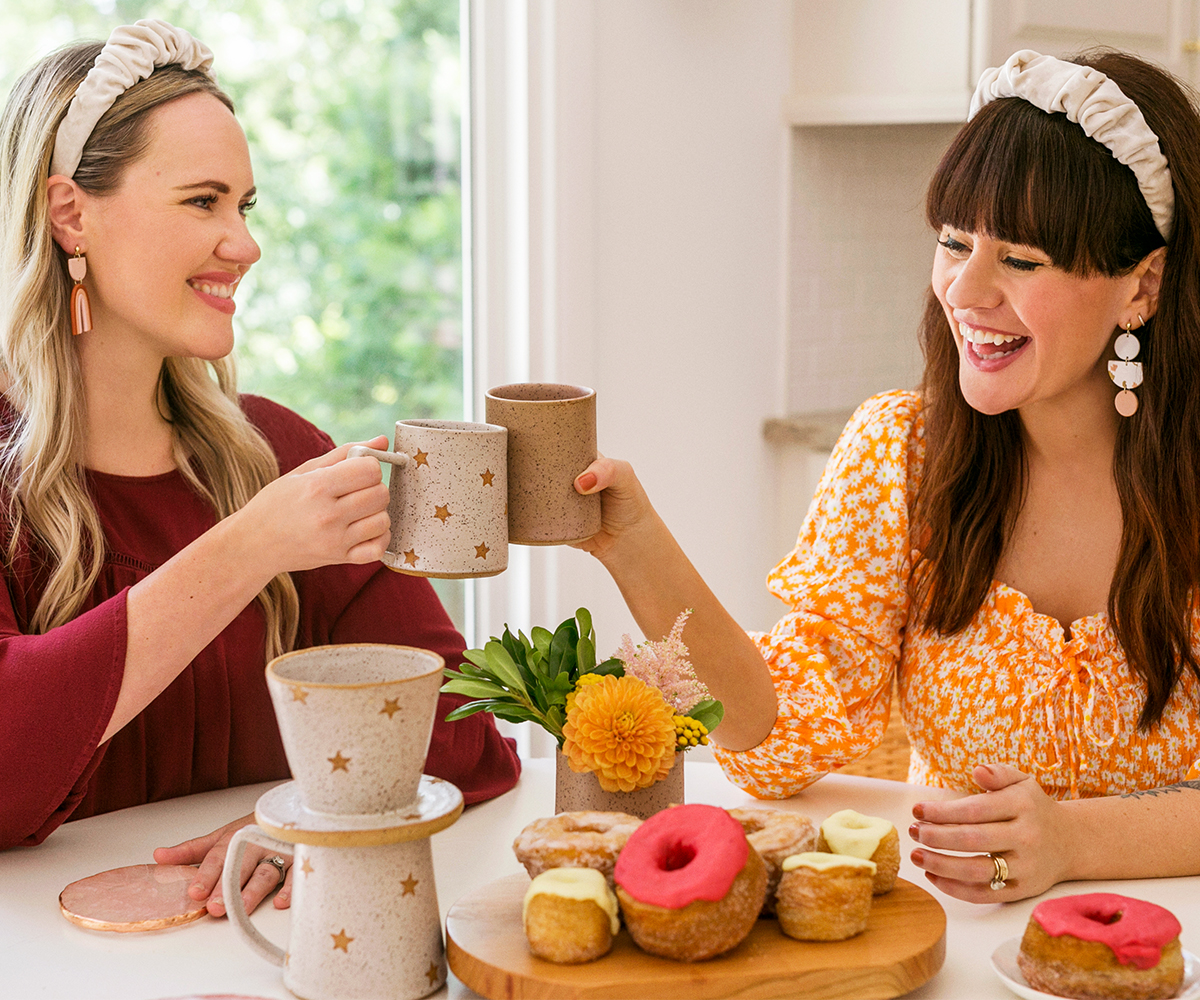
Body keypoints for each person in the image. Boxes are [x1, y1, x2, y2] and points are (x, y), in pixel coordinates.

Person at [573, 48, 1200, 904]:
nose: (965, 289)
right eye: (953, 241)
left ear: (1143, 287)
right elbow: (781, 737)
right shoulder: (901, 454)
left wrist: (1073, 840)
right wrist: (633, 544)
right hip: (961, 945)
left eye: (1021, 258)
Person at [0, 20, 519, 916]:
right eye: (203, 202)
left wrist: (306, 817)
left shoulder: (278, 455)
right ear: (70, 213)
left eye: (246, 206)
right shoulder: (269, 507)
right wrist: (251, 546)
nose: (245, 243)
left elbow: (466, 738)